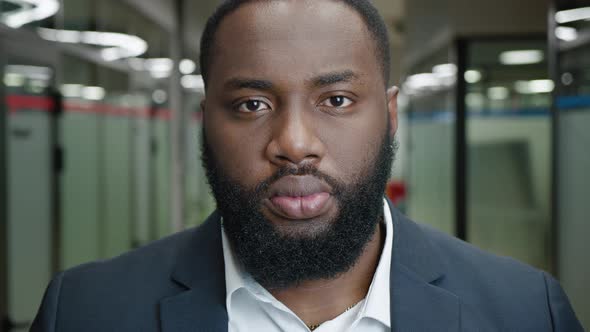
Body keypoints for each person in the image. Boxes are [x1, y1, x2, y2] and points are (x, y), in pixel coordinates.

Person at [32, 0, 584, 331]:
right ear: (206, 121)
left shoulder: (525, 312)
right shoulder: (85, 312)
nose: (294, 144)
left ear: (390, 116)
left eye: (336, 100)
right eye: (252, 105)